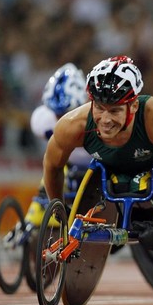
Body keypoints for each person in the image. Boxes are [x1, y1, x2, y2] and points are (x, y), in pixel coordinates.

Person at [42, 55, 153, 252]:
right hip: (112, 179)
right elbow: (52, 165)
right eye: (99, 108)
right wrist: (58, 207)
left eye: (115, 111)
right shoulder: (72, 125)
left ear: (134, 105)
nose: (105, 120)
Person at [26, 63, 92, 227]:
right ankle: (30, 220)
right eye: (56, 113)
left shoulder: (100, 117)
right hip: (67, 163)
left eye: (65, 113)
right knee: (54, 162)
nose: (61, 119)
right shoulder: (42, 121)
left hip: (97, 166)